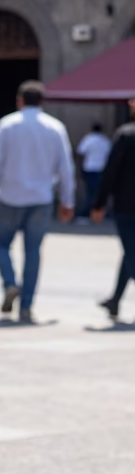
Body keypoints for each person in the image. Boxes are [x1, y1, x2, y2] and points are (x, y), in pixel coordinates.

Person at [0, 80, 74, 323]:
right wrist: (67, 200)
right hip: (41, 198)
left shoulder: (7, 125)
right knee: (33, 252)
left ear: (19, 100)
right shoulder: (55, 128)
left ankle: (10, 283)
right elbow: (66, 168)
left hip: (10, 196)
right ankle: (27, 306)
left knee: (1, 246)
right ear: (42, 101)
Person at [95, 99, 135, 321]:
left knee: (132, 253)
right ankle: (115, 300)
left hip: (128, 207)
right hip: (128, 206)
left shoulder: (126, 135)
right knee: (130, 253)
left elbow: (111, 171)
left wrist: (99, 203)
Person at [77, 122, 112, 223]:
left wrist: (81, 168)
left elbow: (81, 153)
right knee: (99, 194)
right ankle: (98, 214)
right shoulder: (105, 141)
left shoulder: (89, 139)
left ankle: (90, 214)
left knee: (90, 193)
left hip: (90, 169)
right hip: (102, 170)